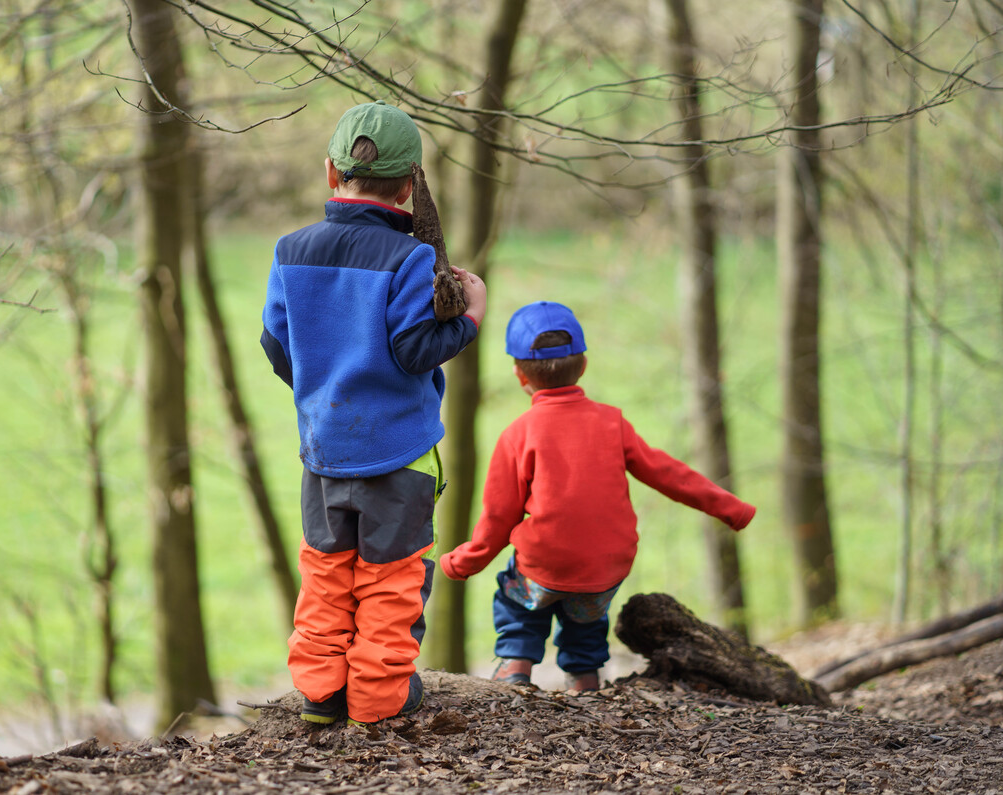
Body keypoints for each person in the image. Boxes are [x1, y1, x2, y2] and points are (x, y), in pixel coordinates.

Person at [261, 100, 486, 725]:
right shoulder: (411, 259)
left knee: (326, 571)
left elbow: (278, 347)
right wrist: (471, 314)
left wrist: (322, 388)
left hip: (325, 451)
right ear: (410, 184)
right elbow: (417, 350)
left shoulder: (290, 250)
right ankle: (380, 695)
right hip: (400, 455)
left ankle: (321, 692)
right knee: (391, 578)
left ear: (331, 175)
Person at [439, 301, 755, 691]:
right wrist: (732, 508)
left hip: (545, 563)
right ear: (583, 366)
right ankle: (585, 678)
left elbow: (499, 517)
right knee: (586, 614)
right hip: (605, 567)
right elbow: (670, 475)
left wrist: (464, 561)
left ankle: (515, 668)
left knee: (517, 598)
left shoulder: (518, 434)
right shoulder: (612, 423)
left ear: (521, 375)